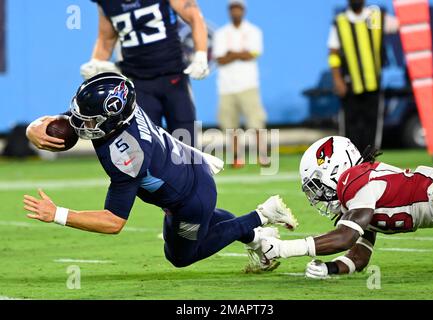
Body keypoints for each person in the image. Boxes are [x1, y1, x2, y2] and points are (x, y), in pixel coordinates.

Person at [23, 73, 298, 270]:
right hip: (188, 167)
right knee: (201, 223)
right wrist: (33, 128)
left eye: (90, 119)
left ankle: (261, 215)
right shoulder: (123, 106)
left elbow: (113, 222)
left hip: (189, 199)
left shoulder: (126, 154)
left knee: (180, 256)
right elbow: (81, 115)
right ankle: (259, 242)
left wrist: (57, 214)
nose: (80, 123)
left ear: (111, 120)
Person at [260, 136, 433, 278]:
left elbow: (344, 238)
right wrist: (329, 268)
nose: (317, 195)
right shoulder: (361, 199)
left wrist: (283, 248)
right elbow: (360, 257)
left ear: (336, 169)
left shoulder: (354, 181)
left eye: (317, 185)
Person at [79, 0, 211, 147]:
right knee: (148, 147)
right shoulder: (107, 3)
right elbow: (106, 39)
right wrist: (96, 62)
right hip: (139, 83)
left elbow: (195, 17)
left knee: (185, 141)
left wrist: (201, 54)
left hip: (173, 78)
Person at [328, 0, 398, 152]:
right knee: (350, 125)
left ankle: (369, 160)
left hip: (373, 83)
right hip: (349, 83)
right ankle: (351, 160)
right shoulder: (341, 22)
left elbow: (399, 26)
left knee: (371, 124)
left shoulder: (375, 17)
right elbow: (333, 54)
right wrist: (337, 79)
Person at [212, 0, 268, 168]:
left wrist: (232, 54)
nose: (235, 12)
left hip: (248, 84)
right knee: (230, 126)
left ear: (243, 10)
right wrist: (240, 53)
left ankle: (263, 155)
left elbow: (252, 54)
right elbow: (220, 59)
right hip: (226, 86)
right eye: (232, 9)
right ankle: (237, 157)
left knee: (256, 123)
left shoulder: (254, 31)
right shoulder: (221, 33)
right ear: (229, 11)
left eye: (238, 8)